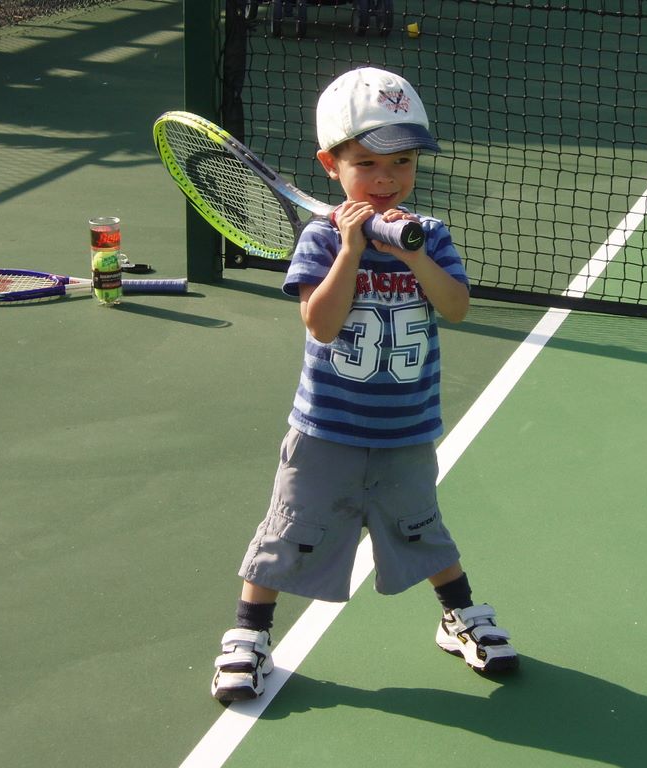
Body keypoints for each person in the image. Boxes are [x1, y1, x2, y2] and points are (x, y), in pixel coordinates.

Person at [211, 66, 518, 703]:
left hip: (406, 429)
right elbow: (320, 325)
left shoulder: (430, 235)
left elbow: (456, 307)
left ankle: (457, 616)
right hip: (327, 429)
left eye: (402, 162)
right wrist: (351, 251)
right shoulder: (322, 238)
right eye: (368, 164)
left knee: (419, 525)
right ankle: (249, 635)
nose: (386, 179)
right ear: (331, 165)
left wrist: (412, 254)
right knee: (290, 528)